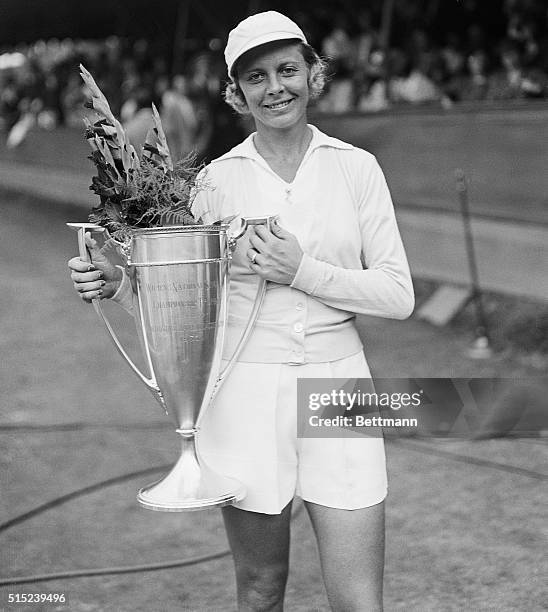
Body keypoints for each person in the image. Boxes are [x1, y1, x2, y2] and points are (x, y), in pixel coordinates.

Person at [68, 11, 414, 611]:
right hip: (245, 390)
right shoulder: (212, 184)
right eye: (256, 77)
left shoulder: (356, 168)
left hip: (342, 387)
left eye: (287, 69)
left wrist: (301, 270)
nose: (275, 87)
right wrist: (120, 284)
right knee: (258, 590)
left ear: (313, 74)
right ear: (236, 92)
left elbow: (398, 294)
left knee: (360, 600)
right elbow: (181, 313)